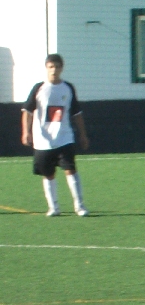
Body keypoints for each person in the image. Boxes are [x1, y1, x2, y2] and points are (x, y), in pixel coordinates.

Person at [21, 53, 89, 217]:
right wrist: (26, 132)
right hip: (43, 140)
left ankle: (80, 206)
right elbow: (27, 112)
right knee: (48, 174)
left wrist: (83, 135)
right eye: (51, 67)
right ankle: (54, 208)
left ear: (62, 68)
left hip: (64, 138)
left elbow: (76, 113)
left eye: (57, 67)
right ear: (46, 68)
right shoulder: (39, 88)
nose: (54, 70)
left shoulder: (68, 88)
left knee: (70, 170)